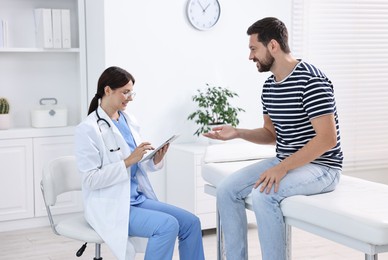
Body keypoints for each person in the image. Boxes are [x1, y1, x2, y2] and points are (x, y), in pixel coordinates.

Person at [204, 17, 343, 260]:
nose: (250, 56)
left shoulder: (312, 81)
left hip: (323, 166)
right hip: (287, 160)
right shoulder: (270, 87)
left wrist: (282, 168)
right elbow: (271, 134)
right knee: (226, 190)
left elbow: (327, 140)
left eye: (253, 48)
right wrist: (237, 132)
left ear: (273, 46)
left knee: (264, 194)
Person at [74, 66, 205, 260]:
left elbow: (137, 166)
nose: (130, 97)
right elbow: (90, 180)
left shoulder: (128, 120)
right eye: (125, 92)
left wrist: (155, 160)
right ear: (107, 90)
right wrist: (127, 161)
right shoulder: (88, 129)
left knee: (191, 223)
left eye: (131, 92)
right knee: (167, 225)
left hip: (138, 199)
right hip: (112, 206)